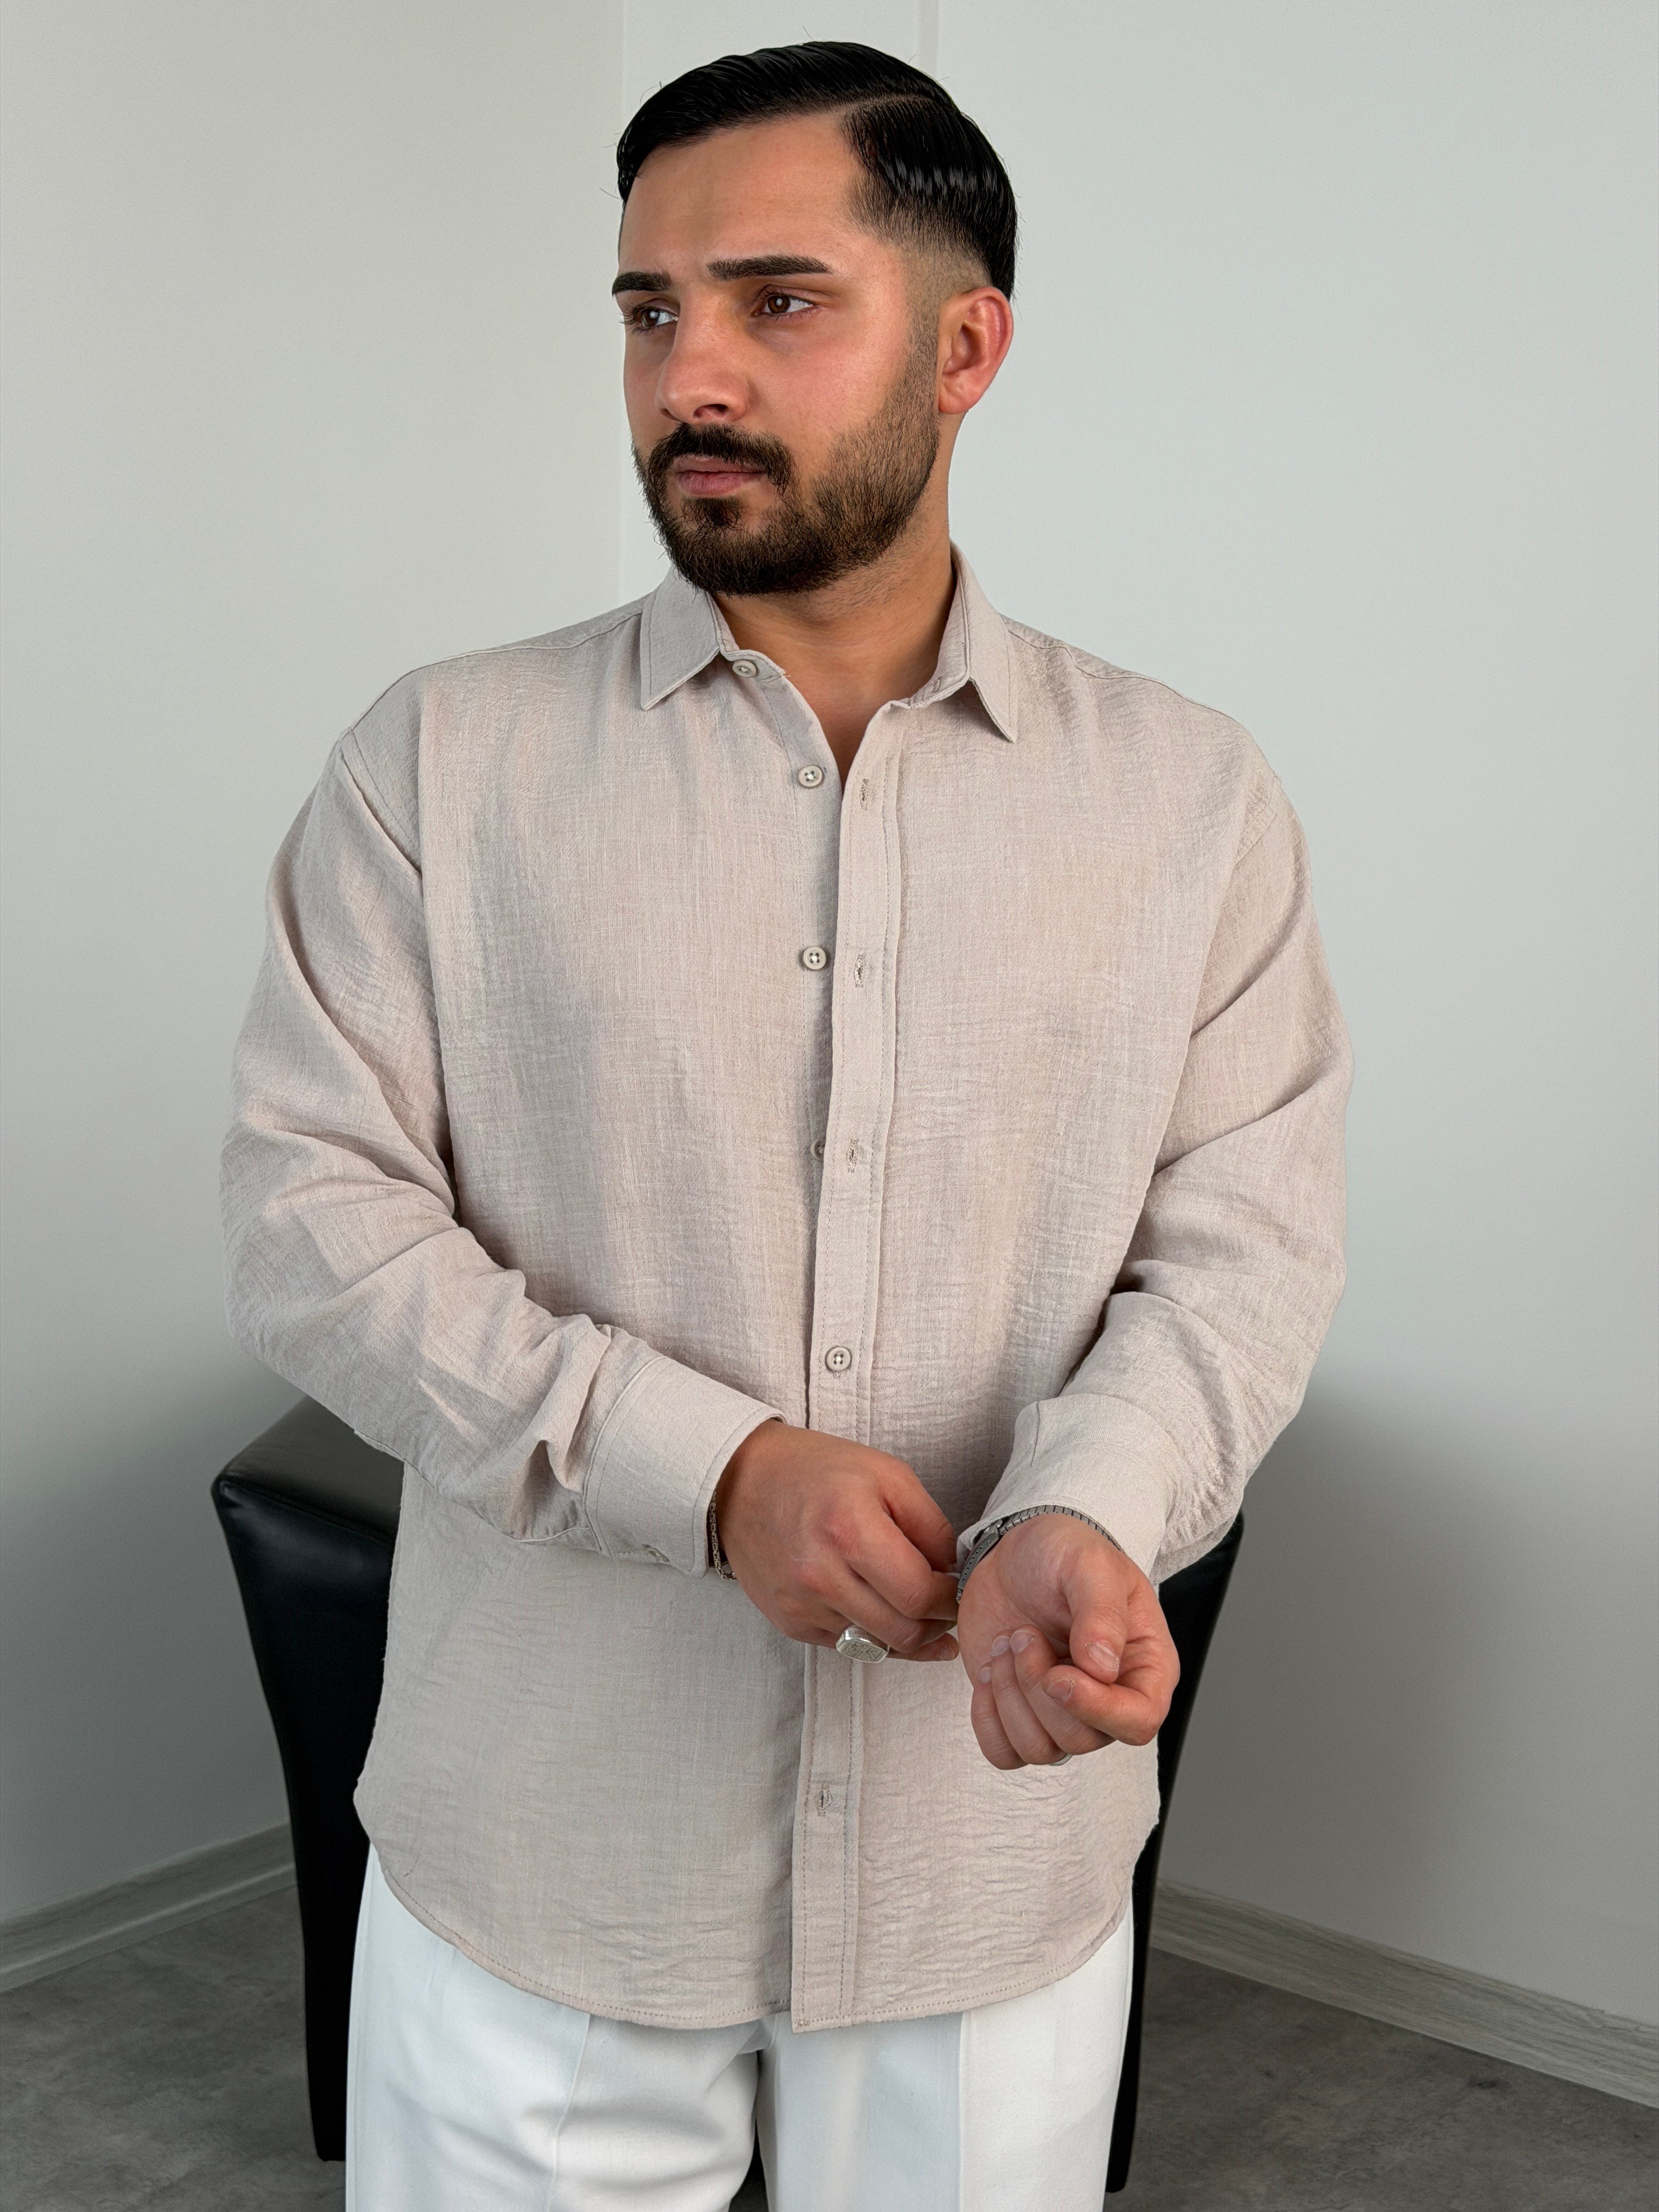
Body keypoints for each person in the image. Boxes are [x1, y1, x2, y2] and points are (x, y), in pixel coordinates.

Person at [219, 39, 1351, 2212]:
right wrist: (709, 1472)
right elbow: (312, 1220)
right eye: (650, 310)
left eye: (777, 301)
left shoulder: (1190, 801)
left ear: (967, 347)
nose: (691, 375)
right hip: (544, 1878)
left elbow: (1247, 1246)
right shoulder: (438, 765)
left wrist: (1093, 1499)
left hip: (983, 1880)